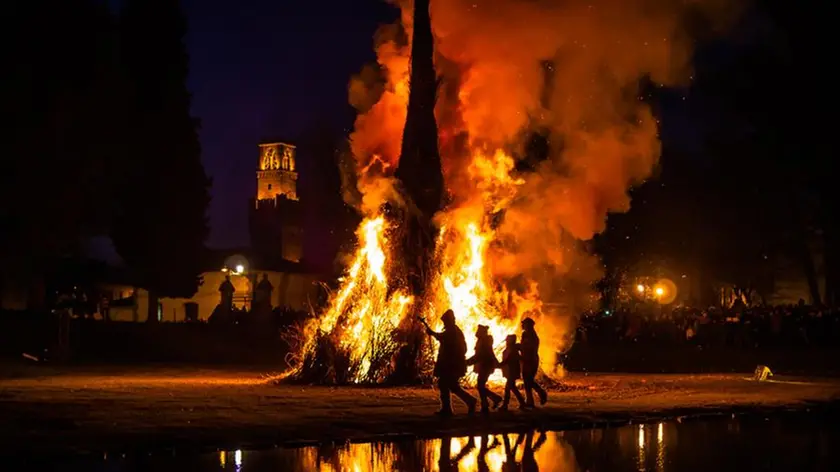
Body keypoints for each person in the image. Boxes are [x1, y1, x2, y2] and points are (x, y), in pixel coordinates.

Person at [422, 309, 477, 416]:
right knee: (445, 384)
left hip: (452, 364)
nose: (444, 323)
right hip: (450, 363)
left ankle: (470, 401)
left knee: (451, 385)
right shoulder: (453, 330)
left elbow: (443, 337)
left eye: (445, 321)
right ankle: (447, 408)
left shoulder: (453, 331)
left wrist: (432, 333)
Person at [466, 325, 502, 414]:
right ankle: (486, 404)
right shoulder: (482, 341)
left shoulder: (484, 342)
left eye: (478, 330)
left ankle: (494, 399)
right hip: (485, 365)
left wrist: (468, 362)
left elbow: (479, 356)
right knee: (480, 385)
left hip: (486, 366)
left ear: (482, 332)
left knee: (480, 385)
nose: (476, 332)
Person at [520, 318, 548, 407]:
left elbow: (530, 348)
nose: (522, 325)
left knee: (529, 380)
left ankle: (541, 393)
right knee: (526, 381)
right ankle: (530, 401)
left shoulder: (532, 336)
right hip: (525, 359)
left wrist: (519, 347)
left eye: (524, 324)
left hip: (531, 360)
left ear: (528, 325)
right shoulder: (525, 334)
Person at [498, 334, 526, 410]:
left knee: (507, 388)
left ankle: (505, 404)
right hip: (509, 371)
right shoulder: (510, 349)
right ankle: (522, 402)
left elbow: (508, 360)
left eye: (507, 340)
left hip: (512, 372)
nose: (506, 341)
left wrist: (499, 365)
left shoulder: (513, 350)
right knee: (513, 388)